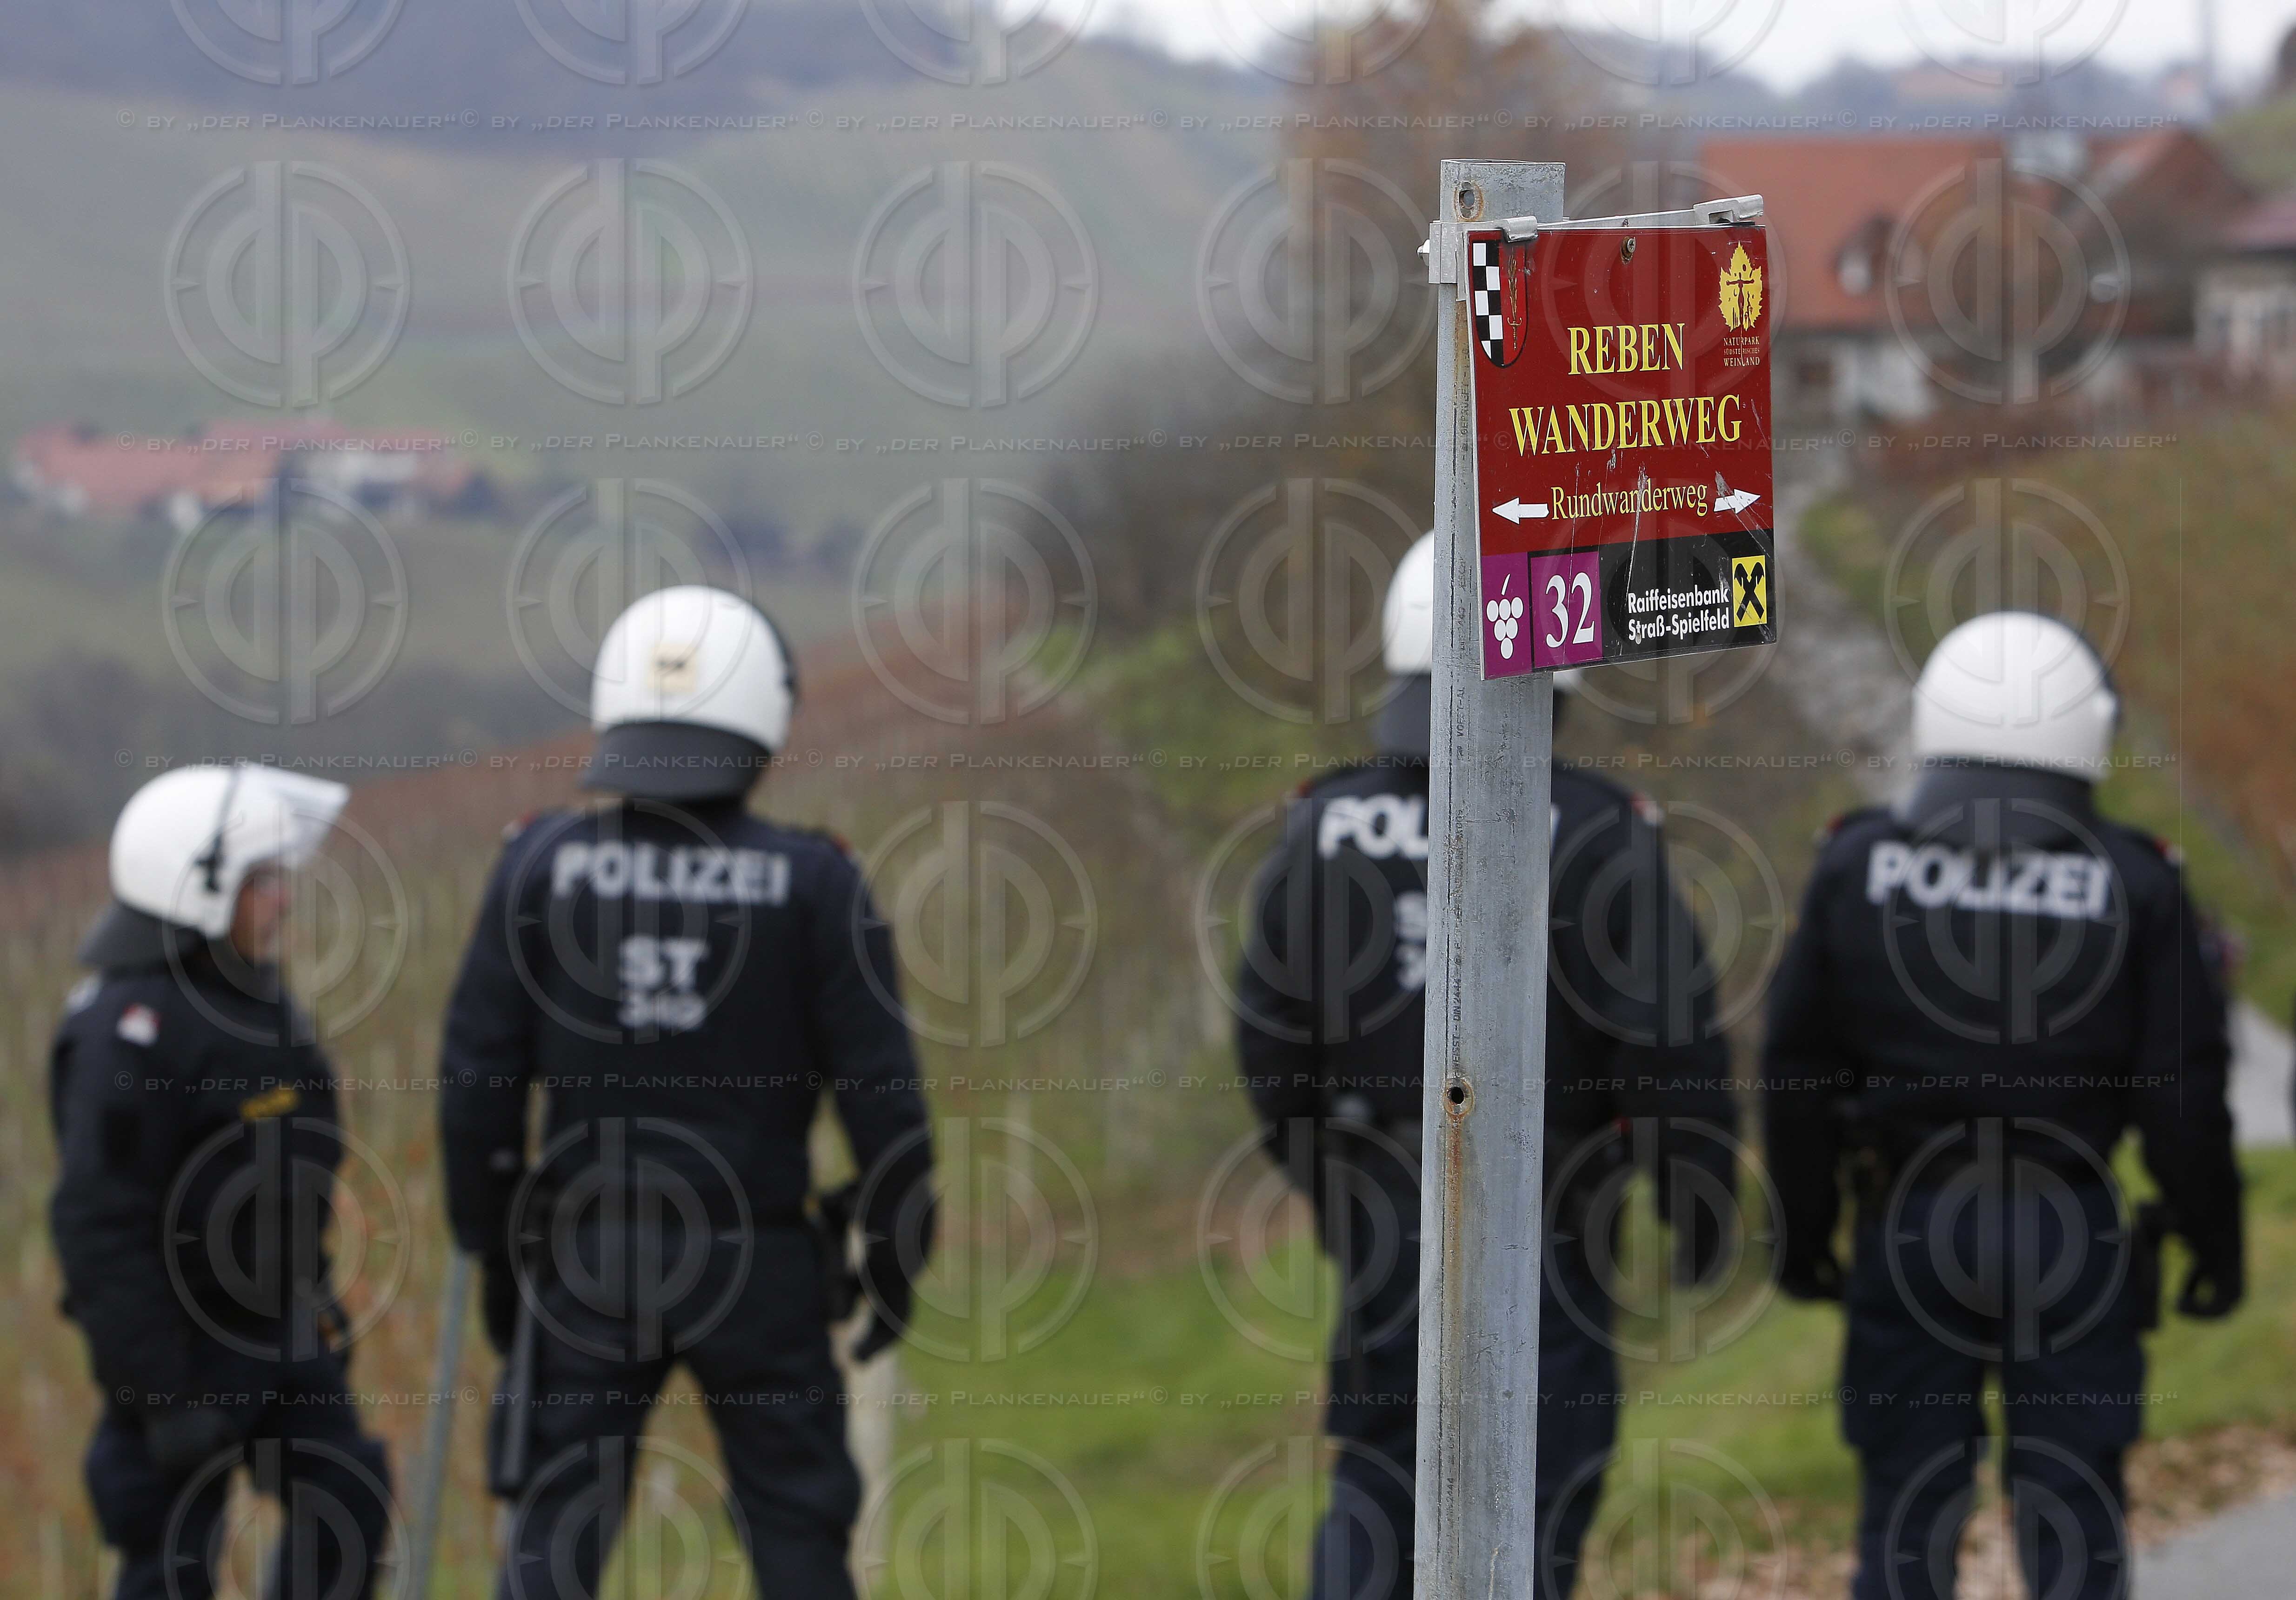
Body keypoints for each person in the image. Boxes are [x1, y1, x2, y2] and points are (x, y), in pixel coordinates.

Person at [1235, 533, 1740, 1600]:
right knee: (1538, 1484)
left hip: (1379, 1205)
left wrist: (1334, 1184)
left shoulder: (1321, 826)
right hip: (1549, 1211)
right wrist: (1696, 1201)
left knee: (1378, 1470)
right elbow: (1667, 1045)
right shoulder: (1600, 832)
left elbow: (1270, 1040)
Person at [440, 586, 934, 1599]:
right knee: (798, 1533)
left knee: (554, 1538)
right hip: (754, 1258)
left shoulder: (536, 867)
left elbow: (475, 1085)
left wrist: (495, 1249)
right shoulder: (816, 884)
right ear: (763, 713)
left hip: (586, 1256)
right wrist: (891, 1254)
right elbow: (887, 1106)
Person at [1763, 611, 2243, 1600]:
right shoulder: (2138, 884)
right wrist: (2212, 1243)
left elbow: (1793, 1070)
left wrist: (1805, 1233)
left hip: (1909, 1221)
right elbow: (2183, 1097)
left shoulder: (1857, 865)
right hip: (2067, 1228)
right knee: (2072, 1514)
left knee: (1906, 1507)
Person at [49, 765, 393, 1599]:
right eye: (262, 882)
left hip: (280, 1331)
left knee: (347, 1498)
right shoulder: (125, 1035)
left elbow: (295, 1170)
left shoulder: (257, 1005)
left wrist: (309, 1298)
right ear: (195, 890)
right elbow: (103, 1228)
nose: (282, 901)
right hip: (180, 1349)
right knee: (170, 1561)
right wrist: (160, 1397)